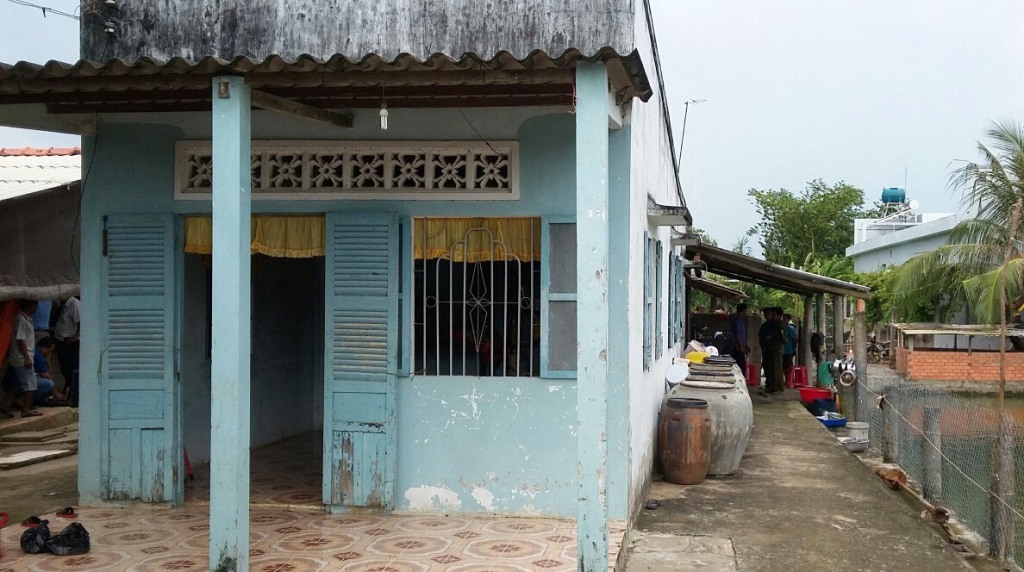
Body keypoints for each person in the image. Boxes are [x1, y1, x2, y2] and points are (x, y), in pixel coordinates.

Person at [0, 299, 41, 417]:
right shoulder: (21, 319)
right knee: (30, 384)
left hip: (22, 356)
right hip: (22, 358)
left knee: (19, 383)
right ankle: (26, 409)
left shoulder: (26, 318)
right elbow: (20, 339)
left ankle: (5, 403)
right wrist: (26, 358)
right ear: (32, 305)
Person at [53, 296, 81, 390]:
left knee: (71, 369)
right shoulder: (64, 306)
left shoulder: (75, 304)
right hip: (61, 342)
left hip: (70, 343)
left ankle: (75, 391)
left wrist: (75, 337)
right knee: (65, 369)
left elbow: (82, 322)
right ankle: (71, 389)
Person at [32, 336, 69, 406]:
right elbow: (45, 375)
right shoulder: (38, 355)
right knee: (49, 384)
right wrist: (56, 393)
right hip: (21, 382)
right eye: (49, 351)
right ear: (43, 347)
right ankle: (33, 399)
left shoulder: (34, 350)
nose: (48, 354)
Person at [729, 303, 750, 380]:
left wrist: (745, 345)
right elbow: (737, 334)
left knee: (742, 364)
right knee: (740, 365)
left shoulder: (740, 320)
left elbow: (742, 335)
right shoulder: (736, 320)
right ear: (743, 310)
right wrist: (741, 346)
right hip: (737, 346)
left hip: (741, 345)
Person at [782, 313, 799, 378]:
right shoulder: (781, 328)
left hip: (789, 351)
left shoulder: (791, 329)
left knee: (788, 367)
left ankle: (789, 379)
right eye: (783, 318)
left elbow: (795, 340)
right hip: (781, 350)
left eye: (785, 319)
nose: (783, 320)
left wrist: (794, 348)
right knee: (782, 366)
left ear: (788, 320)